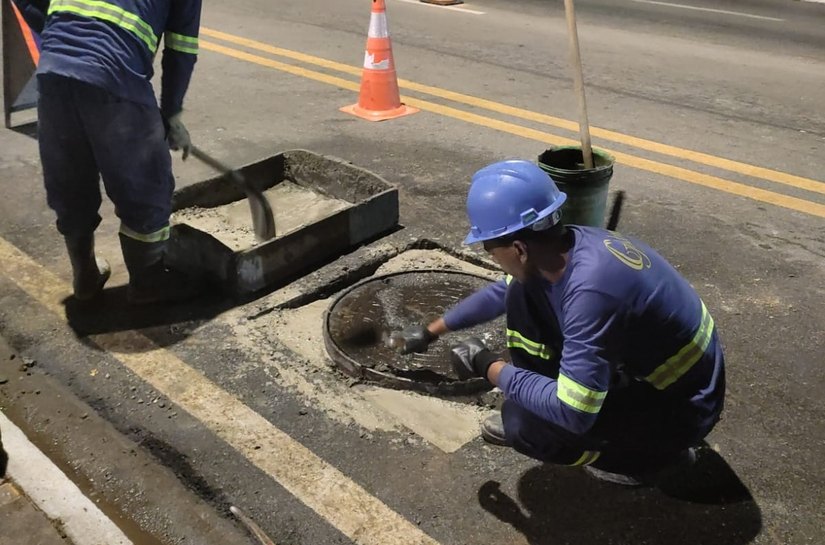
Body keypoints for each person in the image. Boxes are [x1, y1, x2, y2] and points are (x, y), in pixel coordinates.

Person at [390, 159, 725, 486]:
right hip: (656, 376)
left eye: (490, 250)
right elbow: (499, 294)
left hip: (683, 407)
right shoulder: (565, 247)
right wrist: (433, 329)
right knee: (520, 296)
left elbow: (574, 411)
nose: (492, 258)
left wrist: (488, 366)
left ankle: (646, 459)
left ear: (518, 248)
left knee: (524, 425)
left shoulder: (592, 292)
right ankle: (602, 421)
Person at [13, 0, 203, 304]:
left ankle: (85, 276)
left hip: (53, 73)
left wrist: (62, 41)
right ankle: (147, 284)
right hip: (113, 74)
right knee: (146, 182)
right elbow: (181, 48)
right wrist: (171, 114)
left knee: (71, 180)